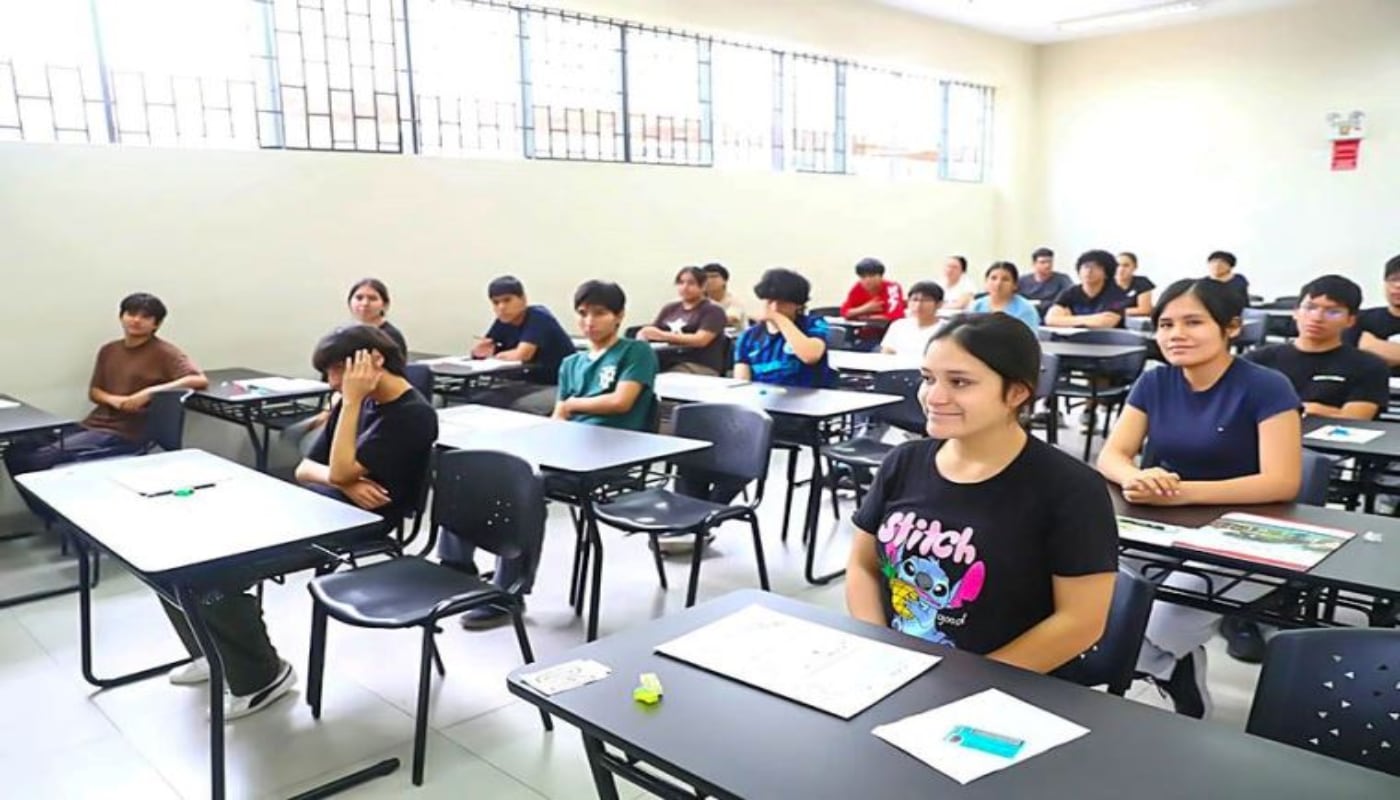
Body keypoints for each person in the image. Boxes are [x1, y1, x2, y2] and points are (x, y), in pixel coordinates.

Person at [163, 325, 437, 719]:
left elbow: (341, 468)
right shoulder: (349, 403)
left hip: (357, 523)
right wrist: (341, 477)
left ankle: (262, 677)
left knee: (211, 576)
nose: (331, 383)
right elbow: (306, 468)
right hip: (315, 506)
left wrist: (350, 420)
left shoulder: (412, 414)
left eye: (336, 371)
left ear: (373, 361)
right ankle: (215, 651)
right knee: (179, 551)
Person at [846, 314, 1117, 670]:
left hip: (1007, 682)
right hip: (899, 669)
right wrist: (880, 649)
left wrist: (970, 682)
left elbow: (1080, 623)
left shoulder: (1071, 490)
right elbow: (863, 565)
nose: (934, 396)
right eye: (928, 378)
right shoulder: (903, 462)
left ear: (1016, 393)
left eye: (959, 382)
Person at [1097, 279, 1302, 718]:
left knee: (1160, 621)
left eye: (1193, 322)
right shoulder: (1154, 382)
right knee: (1105, 600)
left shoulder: (1268, 386)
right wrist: (1137, 477)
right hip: (1164, 526)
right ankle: (1177, 672)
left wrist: (1181, 493)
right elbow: (1112, 454)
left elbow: (1282, 481)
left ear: (1231, 327)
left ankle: (1150, 691)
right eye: (1166, 324)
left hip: (1252, 535)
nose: (1176, 334)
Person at [457, 281, 660, 628]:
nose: (589, 322)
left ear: (619, 316)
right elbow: (557, 421)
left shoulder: (635, 353)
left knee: (523, 486)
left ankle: (509, 592)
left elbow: (620, 401)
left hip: (611, 457)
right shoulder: (571, 363)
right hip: (569, 450)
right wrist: (549, 431)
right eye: (582, 314)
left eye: (599, 313)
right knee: (478, 471)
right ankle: (456, 568)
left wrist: (569, 405)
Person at [4, 293, 208, 508]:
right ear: (121, 316)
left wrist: (150, 392)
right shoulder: (109, 350)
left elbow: (198, 379)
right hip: (93, 426)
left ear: (156, 324)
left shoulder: (164, 352)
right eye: (131, 313)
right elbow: (95, 392)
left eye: (145, 317)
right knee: (18, 449)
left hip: (125, 434)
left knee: (42, 458)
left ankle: (65, 522)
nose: (136, 320)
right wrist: (115, 400)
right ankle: (48, 516)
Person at [1246, 275, 1387, 421]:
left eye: (1333, 312)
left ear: (1350, 320)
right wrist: (1317, 409)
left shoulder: (1368, 366)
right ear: (1295, 312)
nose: (1317, 318)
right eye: (1310, 308)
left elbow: (1356, 418)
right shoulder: (1257, 360)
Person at [469, 276, 576, 415]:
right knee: (480, 399)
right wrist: (479, 352)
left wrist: (497, 355)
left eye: (507, 300)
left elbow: (523, 354)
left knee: (523, 407)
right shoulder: (503, 321)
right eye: (496, 303)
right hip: (526, 382)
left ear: (523, 299)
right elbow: (485, 347)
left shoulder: (539, 317)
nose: (501, 307)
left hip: (557, 384)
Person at [736, 268, 837, 390]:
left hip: (808, 400)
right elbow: (741, 382)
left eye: (782, 303)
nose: (775, 307)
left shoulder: (813, 324)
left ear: (798, 304)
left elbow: (810, 356)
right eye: (770, 301)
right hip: (763, 400)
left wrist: (778, 319)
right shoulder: (748, 337)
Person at [637, 266, 729, 375]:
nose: (685, 287)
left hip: (698, 364)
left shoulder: (713, 311)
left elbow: (700, 340)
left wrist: (662, 335)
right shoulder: (670, 308)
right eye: (681, 283)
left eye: (691, 283)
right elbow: (654, 332)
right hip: (667, 359)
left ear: (703, 286)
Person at [1044, 249, 1130, 329]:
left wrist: (1067, 319)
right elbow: (1050, 319)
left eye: (1096, 267)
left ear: (1107, 273)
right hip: (1074, 341)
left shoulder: (1117, 294)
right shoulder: (1070, 292)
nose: (1089, 271)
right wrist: (1092, 319)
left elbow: (1105, 322)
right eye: (1086, 266)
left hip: (1110, 341)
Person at [1347, 254, 1400, 376]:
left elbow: (1367, 348)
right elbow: (1351, 358)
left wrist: (1375, 347)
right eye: (1393, 279)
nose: (1398, 286)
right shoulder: (1360, 319)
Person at [970, 261, 1041, 331]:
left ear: (1015, 285)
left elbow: (1029, 340)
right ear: (986, 282)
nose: (998, 283)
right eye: (993, 278)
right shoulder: (977, 306)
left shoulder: (1025, 310)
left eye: (1005, 279)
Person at [881, 281, 944, 358]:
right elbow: (886, 353)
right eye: (915, 300)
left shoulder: (947, 329)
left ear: (939, 304)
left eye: (926, 300)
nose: (918, 305)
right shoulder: (898, 326)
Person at [347, 278, 407, 355]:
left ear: (385, 305)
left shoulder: (391, 337)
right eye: (359, 298)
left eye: (372, 298)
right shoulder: (345, 334)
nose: (365, 303)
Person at [839, 257, 906, 321]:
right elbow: (844, 312)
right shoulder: (858, 288)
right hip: (865, 330)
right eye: (863, 277)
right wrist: (865, 309)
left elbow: (896, 316)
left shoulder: (892, 288)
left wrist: (861, 315)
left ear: (881, 276)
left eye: (872, 275)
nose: (867, 280)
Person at [1017, 247, 1073, 320]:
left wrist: (1042, 304)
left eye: (1050, 262)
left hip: (1052, 316)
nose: (1047, 265)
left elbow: (1067, 299)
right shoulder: (1022, 281)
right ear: (1034, 264)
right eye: (1043, 262)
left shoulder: (1063, 280)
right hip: (1027, 314)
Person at [702, 262, 748, 328]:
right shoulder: (700, 301)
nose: (709, 280)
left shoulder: (734, 300)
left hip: (734, 337)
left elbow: (731, 319)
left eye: (714, 276)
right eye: (706, 277)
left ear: (724, 280)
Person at [1115, 252, 1155, 317]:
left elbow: (1144, 310)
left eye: (1126, 265)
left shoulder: (1142, 282)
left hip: (1135, 323)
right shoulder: (1105, 284)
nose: (1121, 269)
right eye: (1117, 265)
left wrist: (1116, 311)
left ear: (1135, 267)